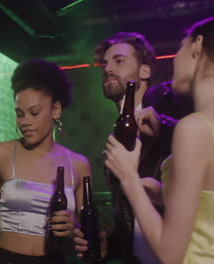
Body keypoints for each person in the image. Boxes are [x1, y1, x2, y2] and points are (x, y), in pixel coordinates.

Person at [104, 15, 214, 263]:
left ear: (197, 46)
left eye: (180, 47)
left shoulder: (194, 127)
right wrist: (165, 193)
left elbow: (170, 253)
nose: (175, 58)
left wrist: (129, 177)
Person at [74, 32, 192, 263]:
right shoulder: (116, 139)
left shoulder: (174, 105)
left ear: (144, 71)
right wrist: (109, 244)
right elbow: (130, 218)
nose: (107, 69)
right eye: (105, 64)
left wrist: (166, 125)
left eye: (119, 61)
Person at [0, 59, 91, 264]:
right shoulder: (1, 154)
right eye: (20, 114)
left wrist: (75, 228)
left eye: (34, 113)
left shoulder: (79, 165)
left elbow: (86, 237)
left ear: (55, 110)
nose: (25, 121)